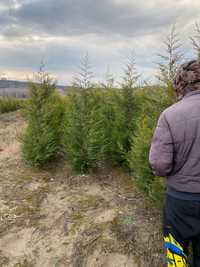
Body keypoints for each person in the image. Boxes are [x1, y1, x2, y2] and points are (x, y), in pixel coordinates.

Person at [149, 59, 200, 267]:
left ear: (181, 84)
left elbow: (159, 165)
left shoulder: (169, 115)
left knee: (176, 254)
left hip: (180, 201)